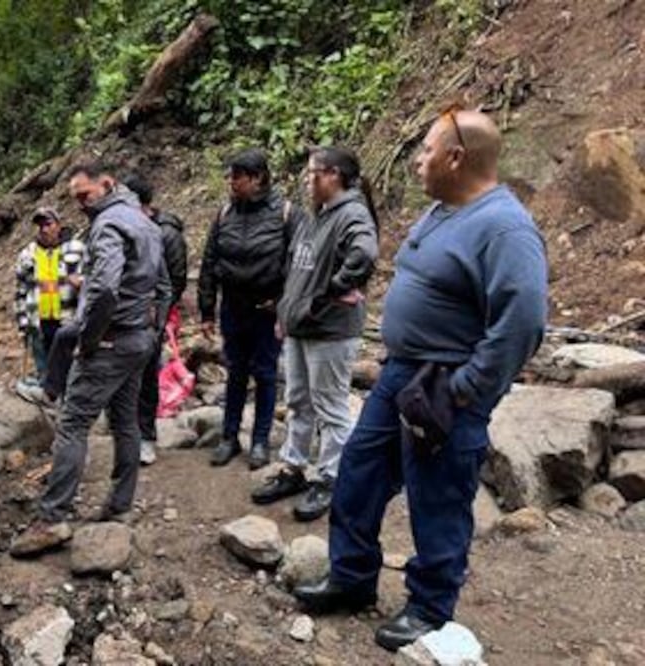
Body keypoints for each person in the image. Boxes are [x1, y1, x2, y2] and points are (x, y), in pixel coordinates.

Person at [294, 110, 548, 652]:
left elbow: (522, 322)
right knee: (360, 471)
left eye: (426, 150)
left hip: (445, 384)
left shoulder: (505, 228)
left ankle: (430, 607)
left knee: (438, 496)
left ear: (456, 157)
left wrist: (465, 388)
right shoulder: (441, 210)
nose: (416, 160)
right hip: (400, 375)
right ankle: (352, 576)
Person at [11, 163, 171, 557]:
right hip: (137, 340)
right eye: (76, 198)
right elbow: (164, 287)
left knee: (73, 424)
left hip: (111, 341)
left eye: (86, 195)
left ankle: (53, 517)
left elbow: (103, 290)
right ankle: (119, 506)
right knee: (125, 421)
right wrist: (153, 331)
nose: (81, 204)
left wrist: (90, 338)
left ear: (107, 184)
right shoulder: (145, 222)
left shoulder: (108, 225)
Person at [255, 146, 379, 522]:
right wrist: (287, 311)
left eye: (313, 173)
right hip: (301, 326)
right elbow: (299, 269)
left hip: (329, 329)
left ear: (334, 176)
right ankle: (294, 467)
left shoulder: (352, 213)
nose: (307, 179)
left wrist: (334, 291)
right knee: (297, 400)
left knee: (331, 405)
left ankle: (330, 477)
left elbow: (365, 254)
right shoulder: (318, 215)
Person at [198, 150, 305, 469]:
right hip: (233, 308)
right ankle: (229, 437)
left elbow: (298, 263)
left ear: (257, 178)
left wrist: (284, 301)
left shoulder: (286, 214)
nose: (230, 182)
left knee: (266, 374)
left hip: (267, 310)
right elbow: (209, 261)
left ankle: (260, 441)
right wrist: (207, 309)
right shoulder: (224, 214)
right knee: (235, 372)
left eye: (236, 177)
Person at [124, 174, 188, 466]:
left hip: (153, 317)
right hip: (127, 316)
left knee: (148, 377)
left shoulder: (166, 234)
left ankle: (146, 436)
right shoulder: (124, 228)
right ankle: (128, 435)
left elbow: (175, 281)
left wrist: (159, 318)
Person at [14, 208, 87, 383]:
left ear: (59, 225)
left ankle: (69, 405)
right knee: (45, 373)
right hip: (38, 323)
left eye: (48, 224)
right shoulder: (27, 254)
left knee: (71, 372)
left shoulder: (76, 249)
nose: (44, 229)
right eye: (40, 226)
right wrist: (23, 324)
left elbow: (91, 282)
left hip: (68, 320)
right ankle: (48, 404)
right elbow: (20, 291)